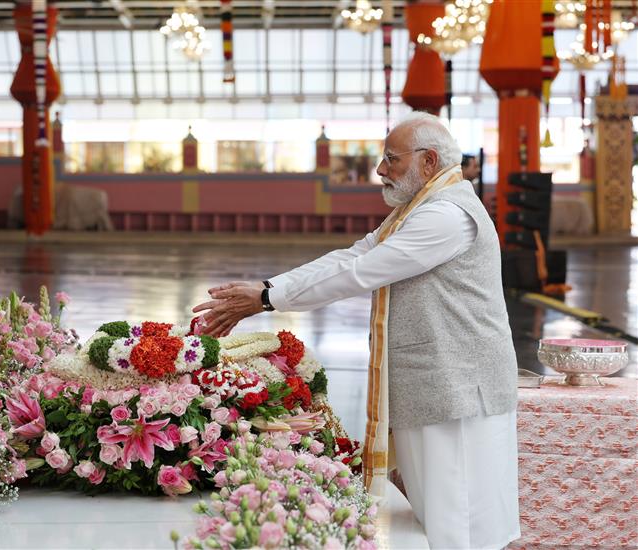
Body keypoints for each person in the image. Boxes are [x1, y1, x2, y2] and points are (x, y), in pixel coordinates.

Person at [192, 111, 520, 550]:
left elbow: (363, 272)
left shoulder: (446, 216)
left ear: (428, 162)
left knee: (457, 520)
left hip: (457, 391)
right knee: (434, 515)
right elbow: (351, 257)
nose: (381, 170)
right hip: (435, 384)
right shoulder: (417, 209)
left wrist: (268, 301)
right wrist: (269, 289)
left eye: (391, 159)